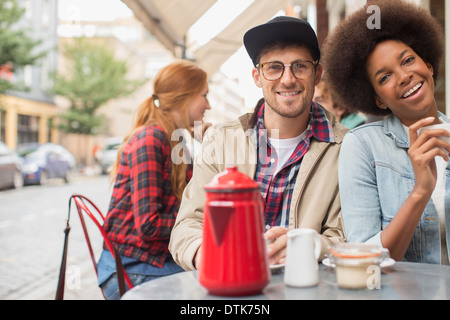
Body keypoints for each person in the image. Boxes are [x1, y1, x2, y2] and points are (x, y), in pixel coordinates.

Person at [169, 16, 348, 271]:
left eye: (300, 66)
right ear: (257, 76)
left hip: (309, 285)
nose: (288, 79)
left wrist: (311, 245)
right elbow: (189, 224)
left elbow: (352, 236)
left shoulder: (346, 146)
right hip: (231, 284)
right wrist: (208, 257)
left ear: (317, 74)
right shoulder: (220, 141)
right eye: (274, 67)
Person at [322, 0, 449, 264]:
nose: (403, 76)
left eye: (409, 60)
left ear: (428, 65)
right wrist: (420, 192)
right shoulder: (362, 147)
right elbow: (364, 258)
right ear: (378, 100)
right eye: (385, 77)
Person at [97, 60, 211, 299]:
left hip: (154, 260)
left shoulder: (176, 139)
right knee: (214, 289)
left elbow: (195, 197)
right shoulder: (151, 138)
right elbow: (149, 225)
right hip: (132, 268)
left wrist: (210, 144)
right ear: (185, 97)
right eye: (204, 96)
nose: (208, 105)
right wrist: (208, 226)